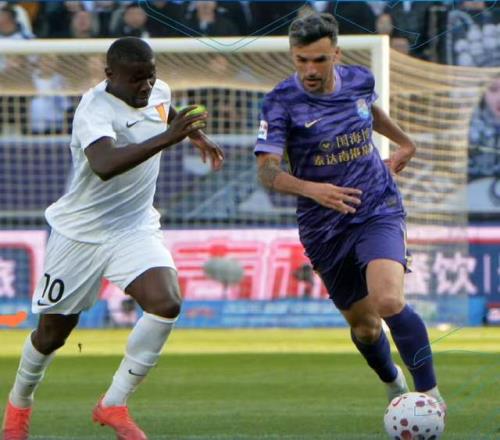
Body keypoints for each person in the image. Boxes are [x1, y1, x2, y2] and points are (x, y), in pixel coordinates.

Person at [2, 36, 224, 440]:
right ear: (110, 75)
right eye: (136, 79)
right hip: (80, 234)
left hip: (134, 227)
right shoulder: (94, 108)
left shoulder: (158, 92)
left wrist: (193, 135)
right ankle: (19, 403)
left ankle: (114, 403)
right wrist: (170, 137)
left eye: (150, 76)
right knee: (52, 335)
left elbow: (164, 111)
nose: (146, 86)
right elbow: (104, 164)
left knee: (166, 303)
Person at [254, 13, 446, 412]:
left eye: (319, 60)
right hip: (324, 226)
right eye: (302, 59)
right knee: (365, 327)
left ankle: (430, 397)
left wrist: (405, 142)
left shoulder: (360, 80)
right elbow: (267, 171)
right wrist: (313, 190)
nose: (310, 69)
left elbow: (369, 111)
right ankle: (393, 382)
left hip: (377, 205)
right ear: (293, 55)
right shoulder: (280, 102)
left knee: (388, 300)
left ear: (336, 55)